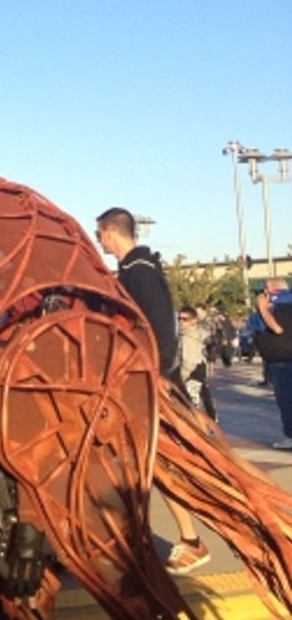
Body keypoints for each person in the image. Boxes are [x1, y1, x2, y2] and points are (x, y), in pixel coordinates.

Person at [95, 207, 209, 575]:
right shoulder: (132, 271)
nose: (99, 241)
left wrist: (157, 375)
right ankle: (139, 538)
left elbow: (160, 326)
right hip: (141, 381)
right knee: (143, 466)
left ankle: (191, 540)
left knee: (162, 465)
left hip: (151, 384)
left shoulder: (139, 273)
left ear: (111, 231)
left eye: (99, 234)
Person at [248, 277, 292, 450]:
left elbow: (277, 328)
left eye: (266, 289)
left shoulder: (280, 306)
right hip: (280, 359)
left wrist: (262, 308)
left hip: (283, 360)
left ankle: (290, 436)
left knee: (286, 400)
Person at [176, 305, 216, 422]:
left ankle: (196, 428)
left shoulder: (189, 336)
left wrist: (182, 377)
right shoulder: (191, 334)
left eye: (185, 319)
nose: (181, 322)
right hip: (198, 370)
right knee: (204, 396)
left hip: (192, 371)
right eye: (179, 319)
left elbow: (189, 360)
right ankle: (212, 419)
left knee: (191, 405)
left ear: (193, 321)